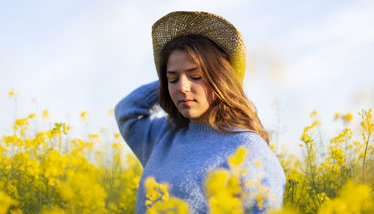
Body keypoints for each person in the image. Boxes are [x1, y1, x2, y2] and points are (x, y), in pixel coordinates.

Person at [115, 11, 285, 214]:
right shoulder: (163, 135)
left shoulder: (248, 149)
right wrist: (168, 81)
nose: (182, 88)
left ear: (219, 79)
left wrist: (178, 75)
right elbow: (126, 111)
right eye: (172, 80)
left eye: (195, 76)